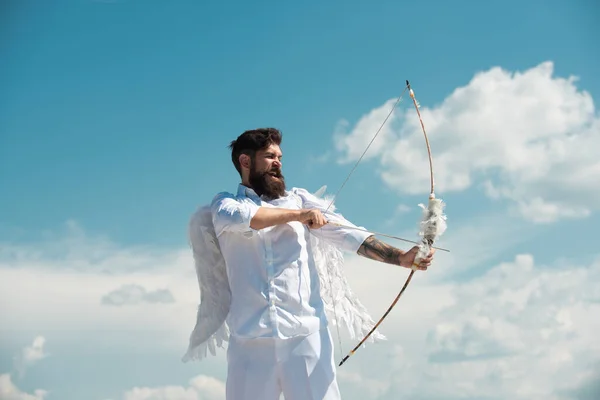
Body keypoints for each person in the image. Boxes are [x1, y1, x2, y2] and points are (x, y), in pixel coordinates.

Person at [182, 127, 435, 400]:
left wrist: (400, 258)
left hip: (306, 337)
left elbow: (347, 234)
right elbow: (247, 218)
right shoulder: (225, 204)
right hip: (249, 344)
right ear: (245, 161)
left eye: (279, 156)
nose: (278, 162)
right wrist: (299, 216)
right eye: (269, 156)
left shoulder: (301, 200)